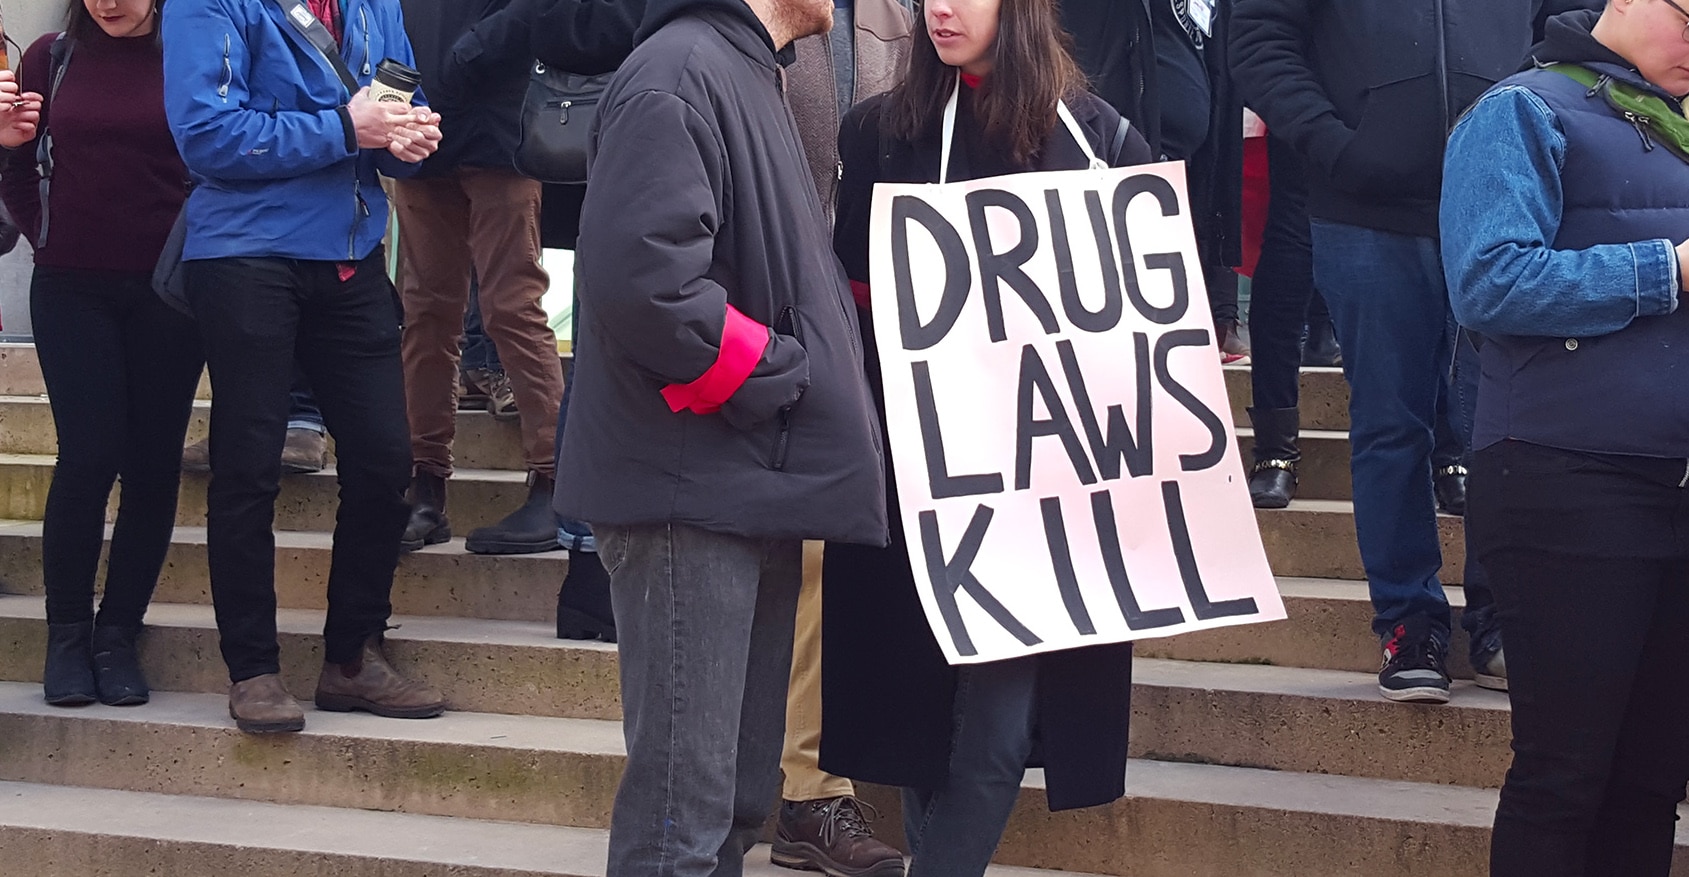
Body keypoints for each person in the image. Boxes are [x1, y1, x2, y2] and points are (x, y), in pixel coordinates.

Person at [555, 0, 889, 871]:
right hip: (688, 492)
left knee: (736, 802)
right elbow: (644, 286)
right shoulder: (678, 73)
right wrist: (780, 373)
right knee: (681, 820)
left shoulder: (739, 69)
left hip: (745, 482)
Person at [822, 0, 1151, 872]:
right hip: (911, 481)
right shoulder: (877, 135)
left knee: (999, 730)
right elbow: (850, 307)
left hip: (1042, 491)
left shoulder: (1099, 140)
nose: (939, 6)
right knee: (916, 727)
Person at [1229, 0, 1596, 701]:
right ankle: (1406, 621)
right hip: (1362, 209)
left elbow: (1570, 21)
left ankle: (1501, 618)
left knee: (1503, 423)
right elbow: (1258, 33)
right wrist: (1331, 143)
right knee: (1388, 424)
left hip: (1499, 201)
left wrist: (1530, 125)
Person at [1442, 4, 1689, 873]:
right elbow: (1487, 281)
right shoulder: (1519, 109)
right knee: (1565, 773)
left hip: (1669, 478)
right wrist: (1669, 268)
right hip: (1564, 473)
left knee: (1653, 777)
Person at [161, 0, 449, 734]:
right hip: (245, 252)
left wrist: (406, 137)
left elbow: (392, 99)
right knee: (249, 460)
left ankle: (353, 655)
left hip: (350, 252)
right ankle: (252, 667)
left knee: (387, 458)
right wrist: (347, 129)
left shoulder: (377, 5)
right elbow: (206, 134)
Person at [0, 0, 201, 708]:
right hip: (71, 287)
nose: (109, 2)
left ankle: (118, 635)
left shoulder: (197, 52)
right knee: (88, 455)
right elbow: (16, 167)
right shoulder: (49, 56)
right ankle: (66, 637)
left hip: (169, 294)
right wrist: (44, 233)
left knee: (152, 465)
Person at [772, 1, 912, 872]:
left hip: (877, 310)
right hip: (772, 311)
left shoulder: (906, 13)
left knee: (832, 558)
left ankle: (811, 783)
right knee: (803, 560)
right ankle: (801, 792)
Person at [394, 0, 567, 556]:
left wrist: (468, 53)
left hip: (498, 120)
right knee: (424, 310)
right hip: (420, 121)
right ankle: (425, 478)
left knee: (513, 305)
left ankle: (553, 478)